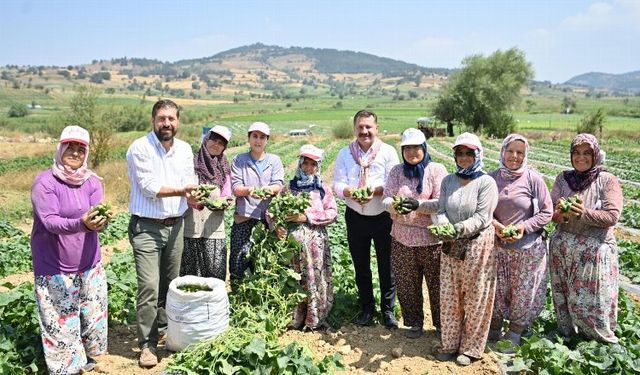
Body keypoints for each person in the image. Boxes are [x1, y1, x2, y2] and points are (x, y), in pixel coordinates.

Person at [30, 125, 110, 374]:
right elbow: (50, 221)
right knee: (61, 321)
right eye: (70, 147)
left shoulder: (93, 181)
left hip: (89, 262)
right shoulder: (45, 182)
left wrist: (101, 222)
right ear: (60, 148)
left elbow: (97, 215)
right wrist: (81, 223)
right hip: (55, 264)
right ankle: (68, 369)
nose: (75, 152)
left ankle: (88, 358)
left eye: (80, 148)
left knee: (92, 314)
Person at [414, 132, 498, 366]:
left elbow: (482, 217)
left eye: (468, 153)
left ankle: (471, 348)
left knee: (475, 297)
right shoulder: (448, 180)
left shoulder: (486, 182)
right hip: (451, 245)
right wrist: (438, 222)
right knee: (450, 295)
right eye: (459, 153)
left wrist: (456, 229)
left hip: (477, 245)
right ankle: (450, 344)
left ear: (477, 154)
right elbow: (440, 208)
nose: (463, 157)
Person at [126, 99, 199, 368]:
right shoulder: (140, 148)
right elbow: (148, 187)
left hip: (175, 225)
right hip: (147, 226)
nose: (166, 123)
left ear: (178, 121)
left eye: (171, 118)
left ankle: (166, 330)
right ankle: (146, 344)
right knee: (148, 286)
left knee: (170, 285)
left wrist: (197, 196)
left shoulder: (184, 149)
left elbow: (189, 182)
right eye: (161, 118)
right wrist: (184, 191)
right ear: (153, 121)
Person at [549, 133, 622, 343]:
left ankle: (598, 342)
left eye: (587, 153)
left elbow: (612, 215)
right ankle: (568, 337)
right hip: (562, 251)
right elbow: (551, 210)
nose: (581, 157)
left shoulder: (607, 180)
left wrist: (584, 213)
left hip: (594, 252)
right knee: (564, 296)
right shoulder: (563, 178)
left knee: (594, 301)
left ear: (595, 155)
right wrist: (560, 214)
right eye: (577, 153)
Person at [333, 110, 399, 328]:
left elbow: (394, 184)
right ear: (355, 129)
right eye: (360, 127)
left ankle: (388, 311)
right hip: (355, 217)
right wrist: (350, 192)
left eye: (368, 127)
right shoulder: (345, 153)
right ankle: (366, 308)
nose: (364, 131)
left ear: (376, 128)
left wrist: (376, 191)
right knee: (361, 265)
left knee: (386, 265)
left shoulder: (388, 152)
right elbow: (338, 184)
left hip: (383, 217)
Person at [488, 134, 553, 352]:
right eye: (510, 151)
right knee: (496, 291)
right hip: (498, 247)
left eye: (520, 152)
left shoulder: (533, 179)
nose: (514, 156)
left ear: (525, 156)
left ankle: (514, 334)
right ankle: (494, 329)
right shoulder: (491, 179)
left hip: (527, 249)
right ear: (502, 151)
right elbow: (484, 210)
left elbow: (547, 211)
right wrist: (497, 227)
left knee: (523, 293)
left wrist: (522, 228)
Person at [382, 128, 448, 339]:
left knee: (437, 284)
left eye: (416, 147)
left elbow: (441, 202)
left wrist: (417, 205)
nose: (412, 152)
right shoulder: (396, 172)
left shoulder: (436, 170)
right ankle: (414, 323)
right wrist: (395, 206)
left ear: (424, 148)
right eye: (407, 148)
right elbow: (385, 199)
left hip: (431, 239)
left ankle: (441, 325)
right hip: (401, 238)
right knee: (407, 283)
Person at [275, 144, 338, 331]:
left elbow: (332, 213)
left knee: (314, 278)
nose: (309, 168)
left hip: (315, 245)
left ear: (318, 167)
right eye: (306, 163)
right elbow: (273, 212)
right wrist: (277, 224)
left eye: (313, 165)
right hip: (293, 246)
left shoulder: (322, 190)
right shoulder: (288, 189)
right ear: (300, 164)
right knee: (295, 279)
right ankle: (295, 318)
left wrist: (307, 217)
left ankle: (315, 318)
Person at [230, 122, 284, 284]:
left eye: (262, 137)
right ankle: (239, 298)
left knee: (266, 262)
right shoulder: (240, 160)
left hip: (268, 219)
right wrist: (252, 190)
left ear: (267, 140)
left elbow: (278, 184)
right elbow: (236, 188)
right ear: (249, 138)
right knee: (240, 261)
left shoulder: (274, 160)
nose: (258, 141)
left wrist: (268, 190)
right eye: (254, 136)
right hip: (245, 219)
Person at [181, 125, 233, 280]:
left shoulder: (224, 167)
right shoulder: (191, 163)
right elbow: (183, 191)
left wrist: (225, 202)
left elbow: (227, 194)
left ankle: (213, 305)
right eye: (213, 140)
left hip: (214, 229)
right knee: (191, 275)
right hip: (191, 227)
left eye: (221, 143)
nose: (216, 145)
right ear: (206, 139)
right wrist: (192, 200)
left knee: (215, 274)